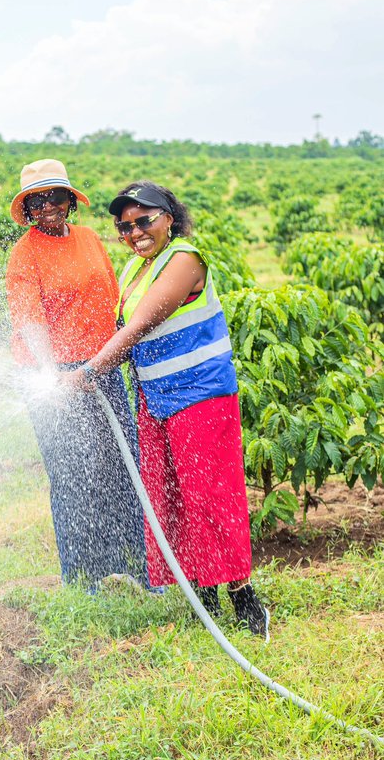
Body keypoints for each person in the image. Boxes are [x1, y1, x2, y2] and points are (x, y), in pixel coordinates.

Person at [63, 179, 270, 636]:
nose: (135, 232)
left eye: (144, 221)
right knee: (173, 499)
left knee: (211, 497)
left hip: (199, 398)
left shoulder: (182, 259)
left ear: (169, 219)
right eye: (125, 226)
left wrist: (89, 371)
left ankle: (244, 599)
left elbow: (138, 326)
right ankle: (206, 594)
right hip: (157, 403)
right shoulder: (137, 269)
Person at [5, 159, 147, 587]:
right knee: (73, 474)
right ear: (28, 209)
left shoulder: (87, 239)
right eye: (38, 201)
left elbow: (111, 293)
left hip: (100, 366)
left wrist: (118, 352)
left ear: (70, 201)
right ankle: (84, 578)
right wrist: (54, 377)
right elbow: (31, 322)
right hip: (55, 375)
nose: (48, 206)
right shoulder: (24, 254)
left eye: (55, 197)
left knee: (121, 465)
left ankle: (137, 565)